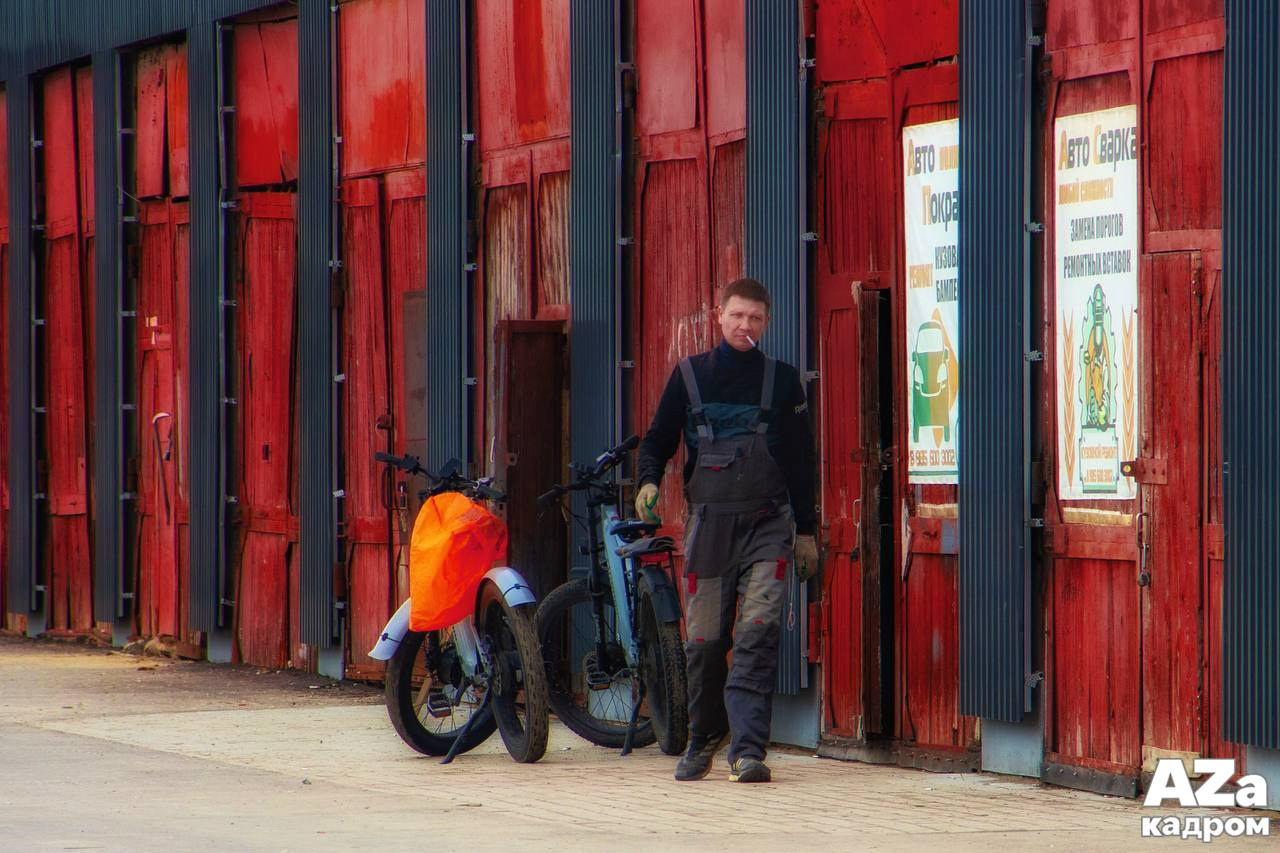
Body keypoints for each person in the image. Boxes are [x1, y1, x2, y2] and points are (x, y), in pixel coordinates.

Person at [635, 276, 818, 784]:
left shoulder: (782, 382)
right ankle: (703, 737)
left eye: (755, 318)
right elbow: (655, 443)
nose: (745, 325)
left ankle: (748, 750)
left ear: (767, 322)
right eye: (737, 315)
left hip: (767, 526)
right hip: (709, 530)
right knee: (704, 642)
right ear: (718, 315)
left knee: (757, 635)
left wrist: (806, 531)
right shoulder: (690, 377)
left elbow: (803, 462)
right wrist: (648, 483)